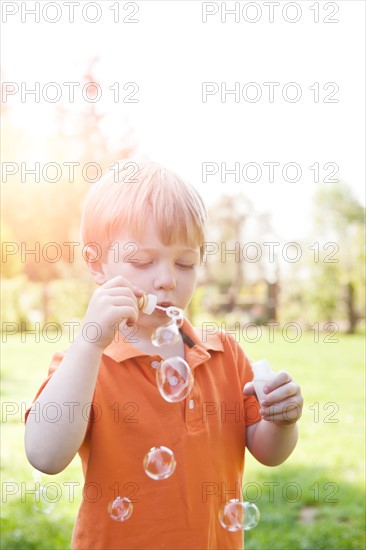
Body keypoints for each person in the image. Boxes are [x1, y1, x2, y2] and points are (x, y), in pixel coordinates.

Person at [25, 161, 303, 550]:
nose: (167, 279)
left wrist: (283, 421)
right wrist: (89, 344)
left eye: (185, 263)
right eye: (142, 261)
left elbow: (268, 452)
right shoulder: (85, 364)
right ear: (96, 264)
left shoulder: (224, 354)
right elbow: (45, 456)